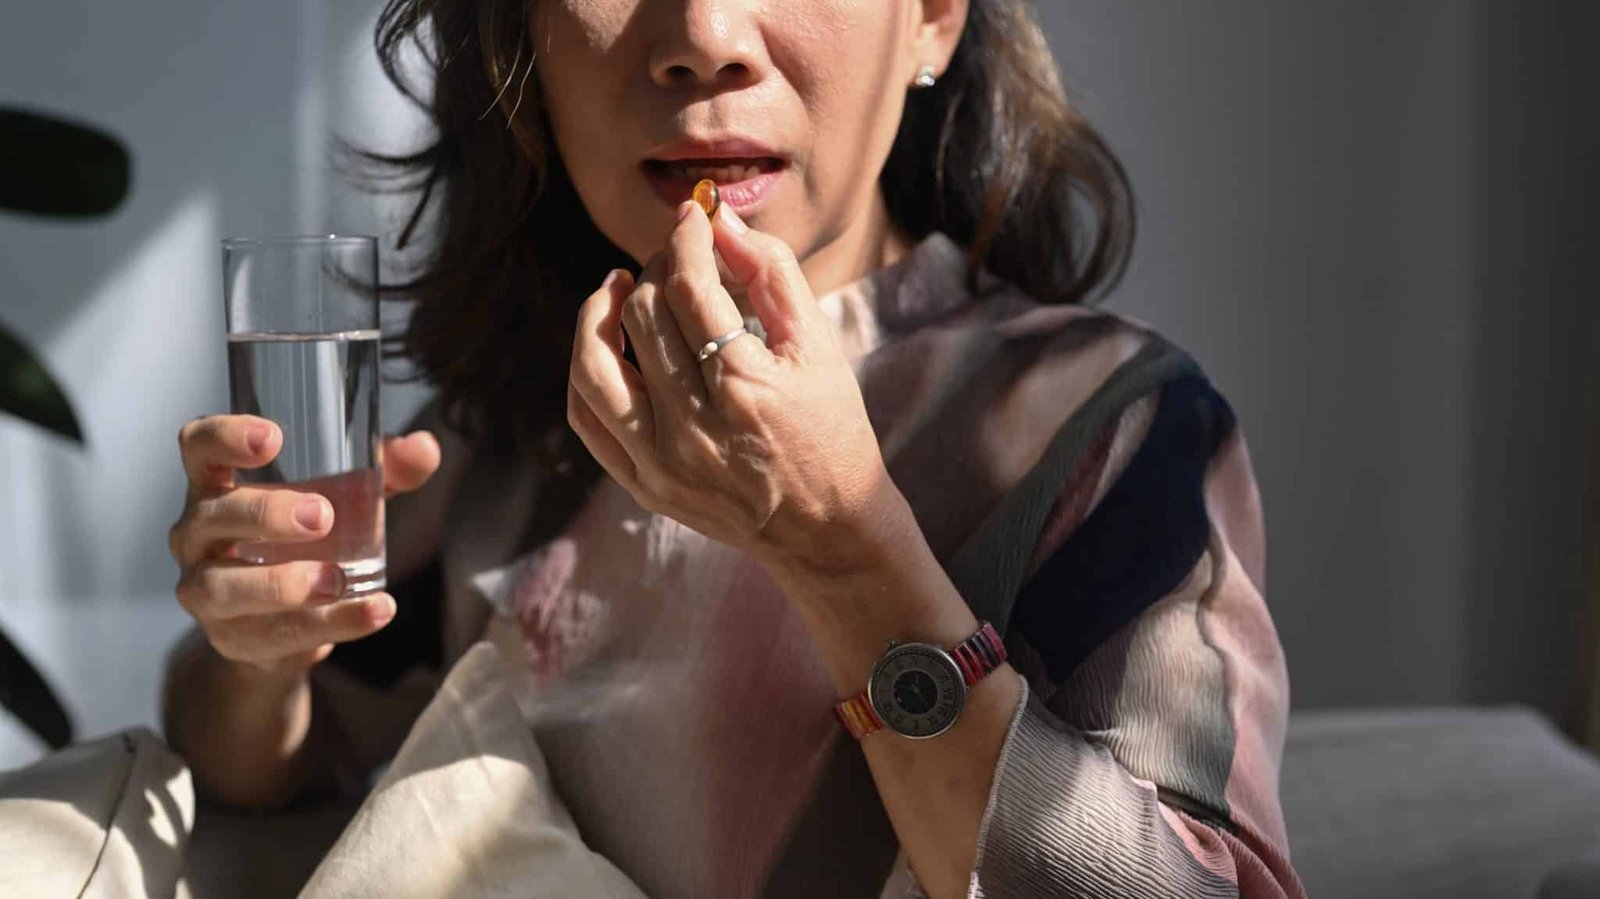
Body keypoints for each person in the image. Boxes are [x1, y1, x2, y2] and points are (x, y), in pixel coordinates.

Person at [163, 1, 1307, 896]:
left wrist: (844, 549)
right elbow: (263, 761)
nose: (703, 37)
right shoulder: (514, 435)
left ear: (931, 17)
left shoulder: (1102, 427)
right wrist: (257, 649)